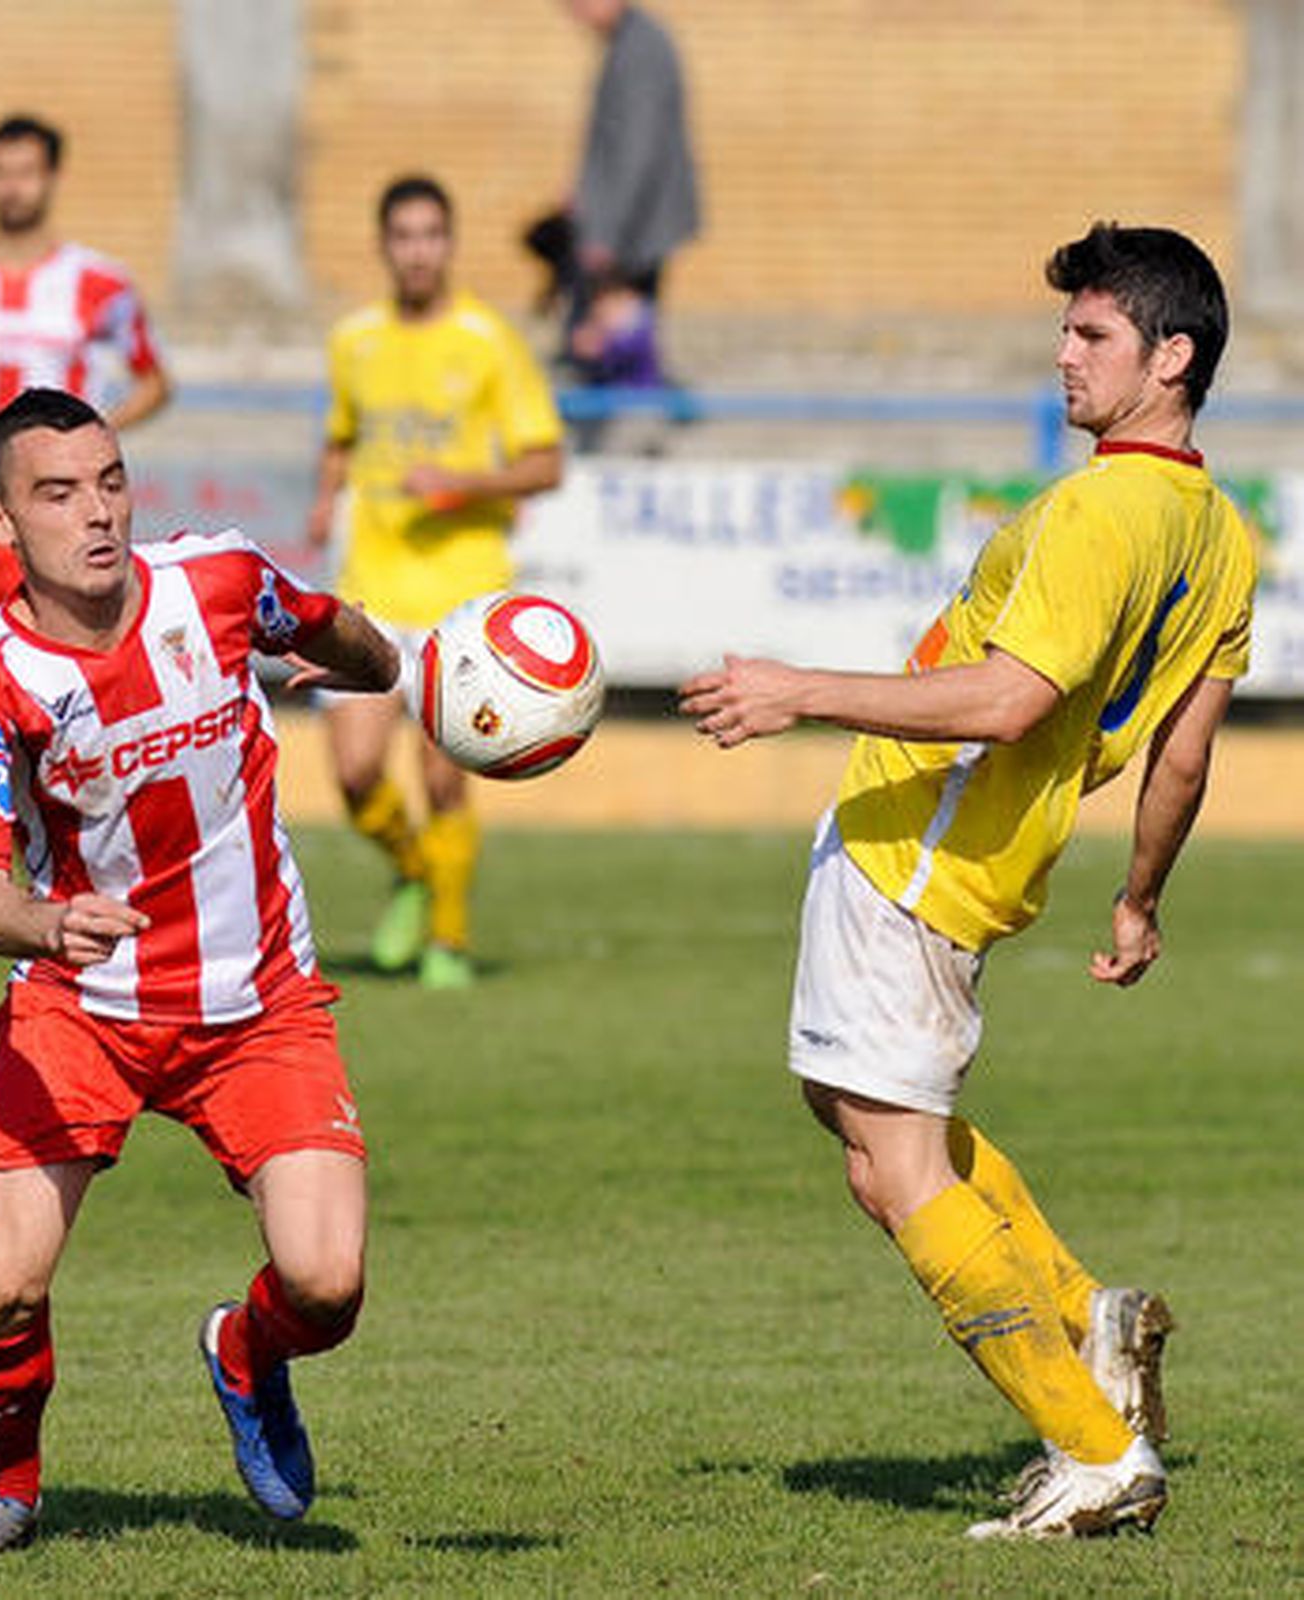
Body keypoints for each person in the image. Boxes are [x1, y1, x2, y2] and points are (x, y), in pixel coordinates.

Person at [682, 224, 1255, 1540]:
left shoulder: (1098, 510)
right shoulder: (1218, 534)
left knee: (893, 1174)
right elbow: (1185, 757)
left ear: (1170, 359)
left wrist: (795, 691)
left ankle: (1095, 1446)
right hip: (983, 859)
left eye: (1093, 335)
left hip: (920, 852)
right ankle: (1087, 1322)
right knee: (875, 1126)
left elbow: (1006, 699)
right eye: (1066, 330)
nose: (1063, 354)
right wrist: (1140, 896)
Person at [0, 388, 399, 1560]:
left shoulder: (218, 583)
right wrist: (44, 923)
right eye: (59, 493)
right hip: (79, 1005)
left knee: (326, 1285)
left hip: (257, 1000)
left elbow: (335, 628)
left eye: (113, 481)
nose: (98, 513)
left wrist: (392, 665)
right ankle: (7, 1482)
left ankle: (246, 1351)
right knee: (4, 1286)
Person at [306, 174, 565, 990]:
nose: (418, 251)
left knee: (445, 772)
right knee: (353, 775)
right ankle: (416, 871)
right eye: (404, 235)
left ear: (449, 244)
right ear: (385, 245)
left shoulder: (489, 341)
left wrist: (459, 485)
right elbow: (343, 435)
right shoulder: (354, 341)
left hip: (463, 596)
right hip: (373, 587)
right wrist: (325, 495)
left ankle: (447, 939)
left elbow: (545, 462)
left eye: (431, 235)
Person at [0, 113, 171, 680]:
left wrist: (91, 439)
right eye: (0, 173)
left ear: (53, 176)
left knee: (76, 676)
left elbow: (155, 382)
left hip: (62, 521)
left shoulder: (102, 283)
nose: (13, 187)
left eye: (26, 172)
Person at [558, 0, 699, 377]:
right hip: (629, 223)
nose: (573, 13)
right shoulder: (628, 42)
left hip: (633, 229)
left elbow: (636, 150)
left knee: (616, 337)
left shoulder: (640, 50)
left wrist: (605, 234)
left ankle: (628, 424)